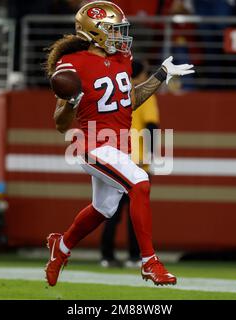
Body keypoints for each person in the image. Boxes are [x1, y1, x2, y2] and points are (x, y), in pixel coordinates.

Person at [44, 0, 194, 287]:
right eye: (114, 30)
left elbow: (129, 101)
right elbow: (60, 123)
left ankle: (61, 246)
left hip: (118, 145)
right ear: (95, 32)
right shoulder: (72, 64)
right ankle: (150, 261)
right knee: (140, 181)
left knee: (104, 208)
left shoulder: (121, 58)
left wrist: (160, 76)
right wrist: (70, 104)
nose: (121, 36)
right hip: (92, 144)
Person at [99, 59, 160, 269]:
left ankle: (106, 256)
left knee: (111, 212)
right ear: (141, 76)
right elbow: (151, 127)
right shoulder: (145, 95)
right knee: (137, 214)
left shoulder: (116, 93)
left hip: (115, 159)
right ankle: (136, 257)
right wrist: (151, 156)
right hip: (137, 163)